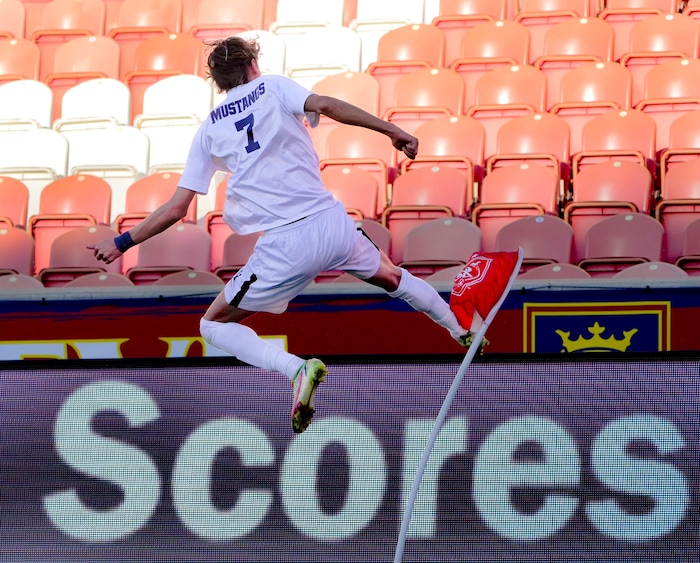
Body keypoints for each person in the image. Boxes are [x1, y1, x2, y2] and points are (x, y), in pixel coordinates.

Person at [89, 35, 474, 434]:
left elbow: (176, 208)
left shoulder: (209, 129)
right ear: (253, 63)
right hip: (331, 222)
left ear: (218, 81)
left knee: (213, 325)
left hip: (285, 245)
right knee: (393, 276)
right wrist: (391, 130)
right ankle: (459, 328)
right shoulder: (272, 86)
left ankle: (295, 369)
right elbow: (326, 105)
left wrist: (121, 243)